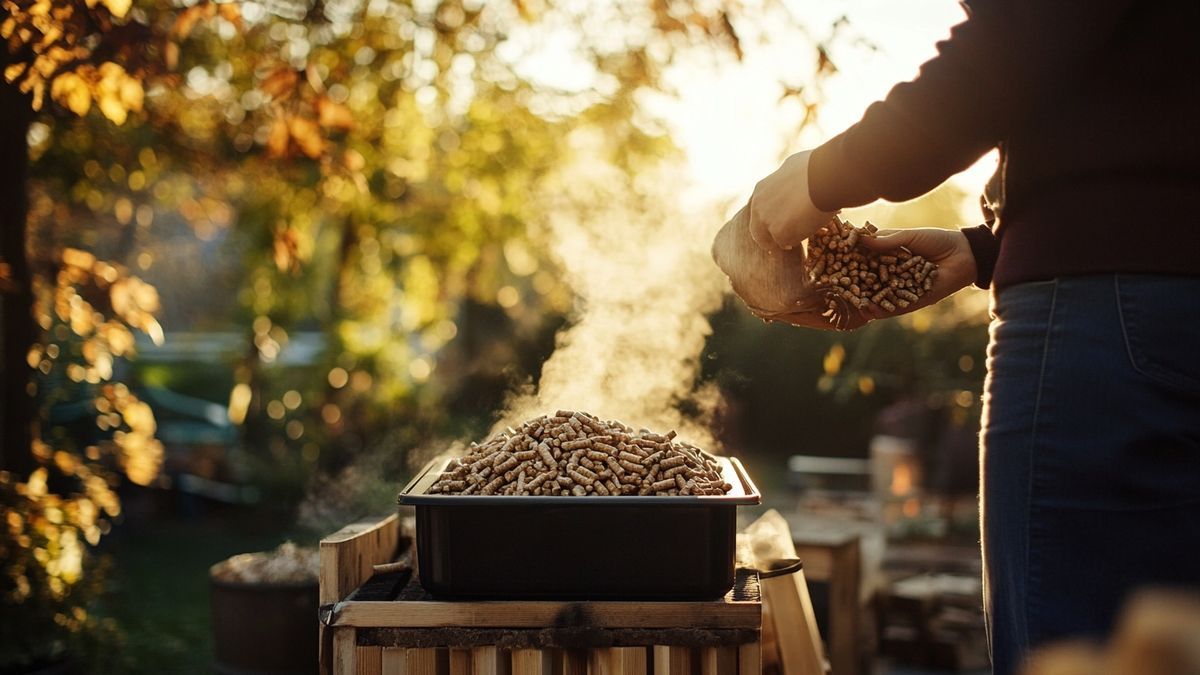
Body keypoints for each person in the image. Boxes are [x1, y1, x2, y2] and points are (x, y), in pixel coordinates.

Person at [743, 2, 1200, 673]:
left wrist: (821, 176)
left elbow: (1032, 29)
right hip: (1159, 299)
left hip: (1102, 317)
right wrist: (985, 249)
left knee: (1073, 647)